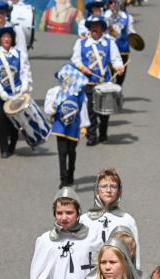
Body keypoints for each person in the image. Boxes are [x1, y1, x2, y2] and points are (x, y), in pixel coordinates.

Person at [72, 14, 124, 146]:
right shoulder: (81, 43)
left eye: (97, 26)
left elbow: (116, 58)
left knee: (105, 111)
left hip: (104, 82)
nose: (94, 29)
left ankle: (103, 131)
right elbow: (75, 59)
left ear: (102, 28)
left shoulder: (109, 43)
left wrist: (119, 67)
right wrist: (82, 67)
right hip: (88, 81)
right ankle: (92, 136)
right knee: (91, 110)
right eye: (92, 27)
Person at [0, 26, 32, 159]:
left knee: (14, 124)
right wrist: (1, 92)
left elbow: (25, 73)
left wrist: (24, 87)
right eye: (4, 37)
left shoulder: (19, 55)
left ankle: (12, 145)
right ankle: (4, 149)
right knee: (0, 123)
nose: (6, 39)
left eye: (9, 37)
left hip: (15, 95)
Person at [44, 64, 90, 187]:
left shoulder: (79, 93)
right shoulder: (54, 92)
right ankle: (63, 179)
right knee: (62, 152)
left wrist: (84, 126)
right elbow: (48, 110)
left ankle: (71, 173)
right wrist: (54, 105)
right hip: (60, 126)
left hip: (74, 127)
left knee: (71, 151)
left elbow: (83, 110)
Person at [83, 169, 139, 264]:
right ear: (97, 189)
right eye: (104, 186)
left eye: (113, 187)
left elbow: (135, 255)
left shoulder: (126, 220)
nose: (108, 190)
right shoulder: (85, 220)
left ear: (119, 191)